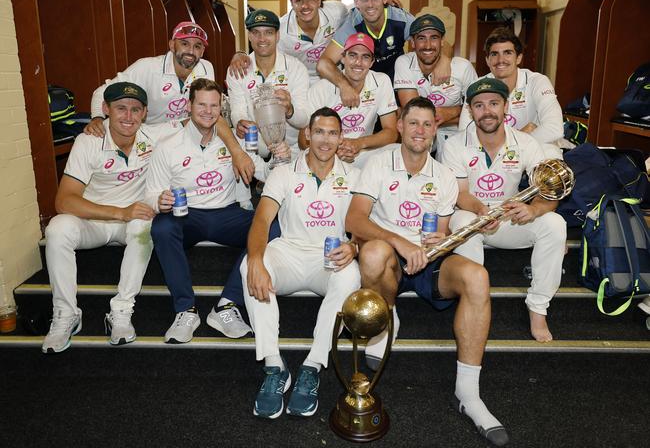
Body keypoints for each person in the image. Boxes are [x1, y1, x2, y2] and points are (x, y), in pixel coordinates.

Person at [346, 96, 509, 446]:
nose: (420, 130)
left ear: (436, 130)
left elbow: (444, 232)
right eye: (413, 122)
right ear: (400, 126)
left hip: (429, 260)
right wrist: (400, 243)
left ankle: (468, 393)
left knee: (477, 277)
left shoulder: (446, 176)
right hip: (390, 256)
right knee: (373, 254)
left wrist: (443, 240)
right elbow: (354, 219)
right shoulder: (377, 164)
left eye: (427, 124)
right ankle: (387, 316)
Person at [146, 78, 288, 343]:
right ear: (189, 106)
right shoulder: (168, 145)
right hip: (188, 215)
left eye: (214, 106)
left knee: (274, 225)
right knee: (161, 227)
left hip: (226, 213)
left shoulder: (233, 141)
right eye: (202, 104)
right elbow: (151, 193)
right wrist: (160, 201)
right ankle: (185, 309)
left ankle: (227, 304)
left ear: (220, 108)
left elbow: (263, 172)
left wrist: (279, 159)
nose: (208, 111)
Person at [243, 107, 361, 419]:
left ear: (340, 138)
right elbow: (263, 219)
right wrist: (255, 258)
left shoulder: (353, 175)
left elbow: (364, 224)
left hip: (329, 258)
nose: (325, 140)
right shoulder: (283, 172)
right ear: (307, 134)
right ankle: (273, 366)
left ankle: (312, 366)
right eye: (319, 131)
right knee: (248, 266)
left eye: (332, 133)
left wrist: (355, 246)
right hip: (290, 253)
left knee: (351, 275)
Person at [42, 82, 172, 353]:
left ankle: (121, 311)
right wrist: (118, 212)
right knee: (57, 229)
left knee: (145, 224)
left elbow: (202, 118)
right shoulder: (88, 141)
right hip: (94, 222)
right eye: (121, 108)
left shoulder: (153, 136)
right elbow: (64, 200)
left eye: (136, 110)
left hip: (131, 223)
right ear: (105, 110)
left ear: (145, 113)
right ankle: (66, 314)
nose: (128, 116)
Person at [441, 78, 566, 342]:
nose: (487, 111)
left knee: (555, 223)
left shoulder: (526, 142)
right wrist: (481, 210)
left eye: (494, 103)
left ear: (506, 107)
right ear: (470, 110)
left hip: (510, 221)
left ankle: (538, 308)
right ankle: (475, 301)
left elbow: (550, 192)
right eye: (479, 105)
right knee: (462, 218)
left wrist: (534, 210)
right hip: (474, 219)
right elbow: (459, 194)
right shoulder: (454, 145)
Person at [86, 21, 256, 187]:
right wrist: (98, 118)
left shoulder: (206, 68)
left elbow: (210, 112)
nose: (191, 51)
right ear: (172, 45)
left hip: (185, 133)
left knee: (228, 140)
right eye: (184, 43)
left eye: (197, 46)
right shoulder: (147, 67)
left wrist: (237, 153)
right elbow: (102, 91)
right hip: (150, 135)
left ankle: (240, 202)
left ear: (203, 51)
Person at [317, 0, 451, 108]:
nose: (370, 4)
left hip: (396, 82)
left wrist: (444, 59)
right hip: (365, 86)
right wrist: (343, 85)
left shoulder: (401, 19)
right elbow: (323, 64)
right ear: (356, 2)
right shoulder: (352, 25)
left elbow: (437, 40)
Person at [458, 27, 563, 159]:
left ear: (518, 58)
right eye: (494, 54)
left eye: (507, 53)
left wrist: (510, 144)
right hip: (493, 154)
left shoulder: (537, 82)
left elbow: (555, 129)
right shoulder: (476, 87)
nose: (500, 60)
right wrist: (520, 137)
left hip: (532, 150)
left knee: (550, 152)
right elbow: (464, 134)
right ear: (487, 60)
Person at [229, 0, 348, 85]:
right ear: (291, 3)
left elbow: (357, 21)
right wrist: (240, 54)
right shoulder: (282, 30)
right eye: (298, 0)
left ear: (319, 0)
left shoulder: (338, 12)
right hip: (300, 80)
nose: (305, 6)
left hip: (333, 75)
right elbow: (263, 49)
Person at [299, 32, 398, 168]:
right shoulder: (321, 88)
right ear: (343, 58)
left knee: (396, 151)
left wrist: (358, 143)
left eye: (365, 57)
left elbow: (391, 132)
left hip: (361, 152)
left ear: (372, 62)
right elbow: (303, 139)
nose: (358, 62)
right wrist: (332, 149)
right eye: (352, 55)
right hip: (326, 154)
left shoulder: (382, 81)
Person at [229, 9, 309, 159]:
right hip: (254, 150)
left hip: (291, 150)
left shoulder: (296, 68)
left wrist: (290, 109)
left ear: (277, 35)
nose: (262, 39)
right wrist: (239, 121)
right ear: (249, 36)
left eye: (268, 32)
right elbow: (237, 108)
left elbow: (304, 119)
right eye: (256, 32)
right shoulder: (238, 69)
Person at [394, 14, 477, 155]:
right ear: (412, 43)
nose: (428, 45)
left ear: (442, 41)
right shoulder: (403, 62)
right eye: (421, 38)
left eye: (434, 38)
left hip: (456, 137)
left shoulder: (463, 67)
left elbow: (476, 111)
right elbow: (414, 114)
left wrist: (449, 114)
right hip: (419, 137)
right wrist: (457, 110)